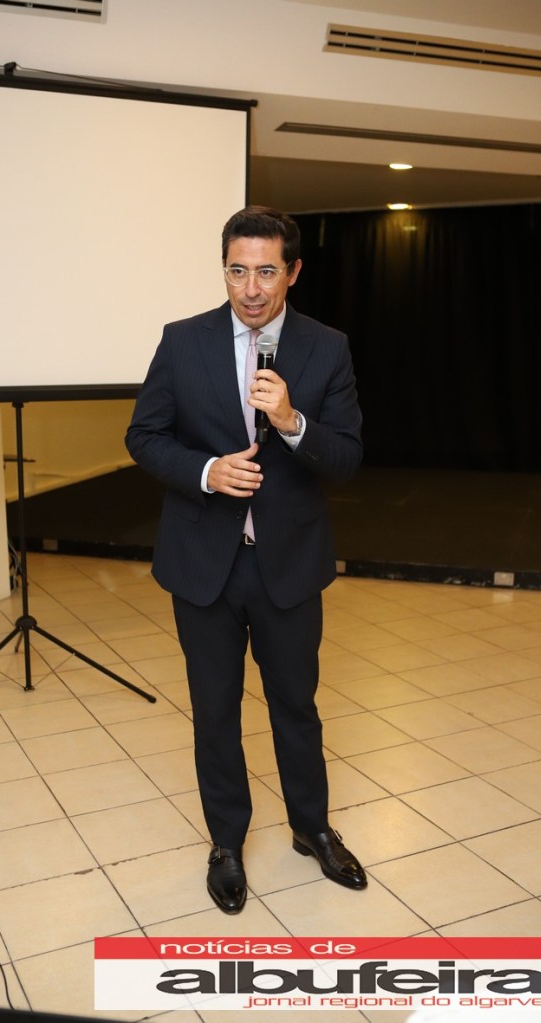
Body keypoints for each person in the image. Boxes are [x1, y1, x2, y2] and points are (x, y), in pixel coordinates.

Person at [125, 205, 366, 913]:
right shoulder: (182, 340)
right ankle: (226, 843)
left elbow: (347, 457)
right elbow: (144, 436)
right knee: (215, 710)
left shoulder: (327, 348)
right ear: (224, 269)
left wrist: (292, 421)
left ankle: (312, 828)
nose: (251, 288)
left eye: (266, 271)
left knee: (296, 704)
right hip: (204, 562)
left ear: (293, 271)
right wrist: (206, 471)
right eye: (237, 270)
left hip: (288, 563)